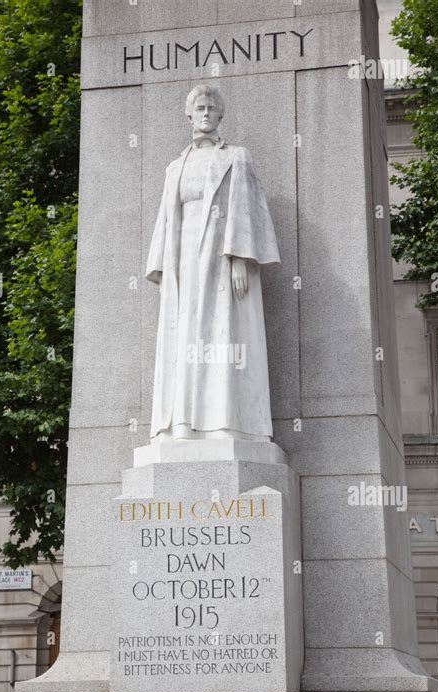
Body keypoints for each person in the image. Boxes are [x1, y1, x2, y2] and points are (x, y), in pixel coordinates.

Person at [146, 85, 280, 442]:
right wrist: (163, 267)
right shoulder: (174, 167)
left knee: (223, 333)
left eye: (211, 108)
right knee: (185, 337)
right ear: (189, 115)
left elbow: (246, 211)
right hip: (184, 260)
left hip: (221, 257)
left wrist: (240, 258)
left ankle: (224, 423)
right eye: (199, 108)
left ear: (220, 116)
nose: (205, 114)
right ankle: (182, 425)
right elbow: (166, 218)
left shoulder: (238, 157)